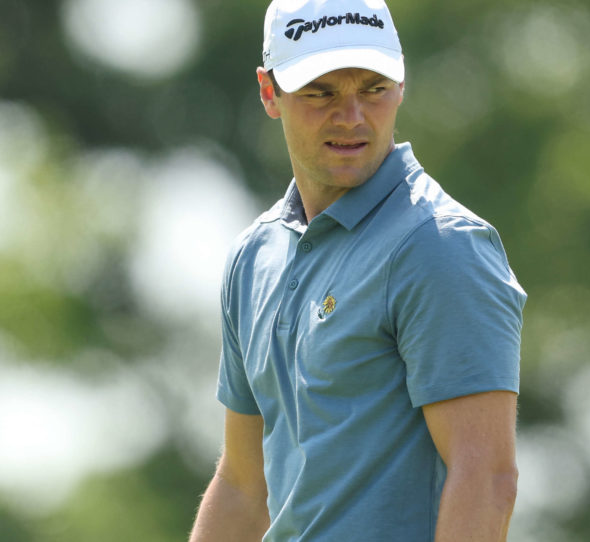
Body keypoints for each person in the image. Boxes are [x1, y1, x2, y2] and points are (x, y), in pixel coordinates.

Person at [189, 0, 527, 540]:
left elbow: (486, 481)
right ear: (269, 92)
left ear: (401, 84)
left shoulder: (439, 246)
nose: (351, 117)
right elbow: (242, 486)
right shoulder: (255, 255)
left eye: (373, 88)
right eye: (321, 91)